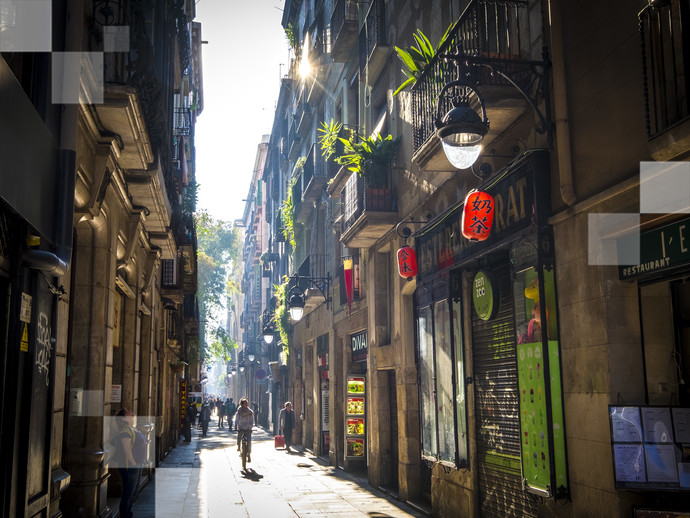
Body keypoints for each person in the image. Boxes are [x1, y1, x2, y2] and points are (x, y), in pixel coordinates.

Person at [116, 409, 142, 518]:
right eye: (128, 412)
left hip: (136, 465)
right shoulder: (125, 431)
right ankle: (125, 515)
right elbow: (127, 449)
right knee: (129, 493)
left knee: (133, 492)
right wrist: (133, 462)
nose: (132, 412)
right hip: (130, 466)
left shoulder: (131, 429)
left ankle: (128, 513)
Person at [234, 398, 254, 463]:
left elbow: (251, 420)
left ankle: (249, 454)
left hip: (248, 428)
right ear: (242, 404)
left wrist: (251, 427)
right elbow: (236, 420)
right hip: (241, 427)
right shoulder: (239, 412)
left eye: (247, 403)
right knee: (239, 436)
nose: (246, 404)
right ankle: (239, 446)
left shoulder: (250, 412)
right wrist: (235, 426)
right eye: (245, 403)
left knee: (249, 441)